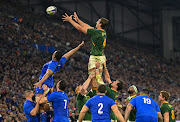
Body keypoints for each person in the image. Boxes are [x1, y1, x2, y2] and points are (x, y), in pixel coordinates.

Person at [33, 41, 84, 121]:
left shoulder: (53, 63)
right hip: (49, 85)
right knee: (46, 106)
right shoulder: (60, 62)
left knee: (40, 105)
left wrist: (39, 83)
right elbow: (68, 54)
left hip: (43, 85)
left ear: (54, 56)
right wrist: (78, 47)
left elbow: (48, 73)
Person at [62, 12, 108, 78]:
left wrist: (70, 20)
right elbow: (88, 27)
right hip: (100, 56)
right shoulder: (102, 32)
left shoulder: (96, 32)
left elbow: (80, 28)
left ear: (100, 24)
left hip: (96, 57)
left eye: (98, 21)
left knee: (93, 77)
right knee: (96, 77)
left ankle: (96, 88)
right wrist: (78, 20)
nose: (96, 22)